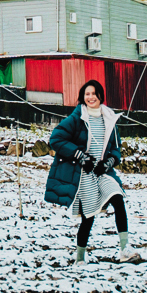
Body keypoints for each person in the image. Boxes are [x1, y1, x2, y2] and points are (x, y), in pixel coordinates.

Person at [44, 78, 127, 261]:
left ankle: (125, 251)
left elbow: (115, 148)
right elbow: (56, 140)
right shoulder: (76, 118)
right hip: (84, 174)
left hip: (102, 172)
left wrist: (110, 162)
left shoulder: (109, 118)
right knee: (88, 217)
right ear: (83, 97)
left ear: (100, 96)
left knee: (118, 200)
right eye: (87, 94)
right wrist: (80, 156)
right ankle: (80, 258)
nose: (91, 97)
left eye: (94, 94)